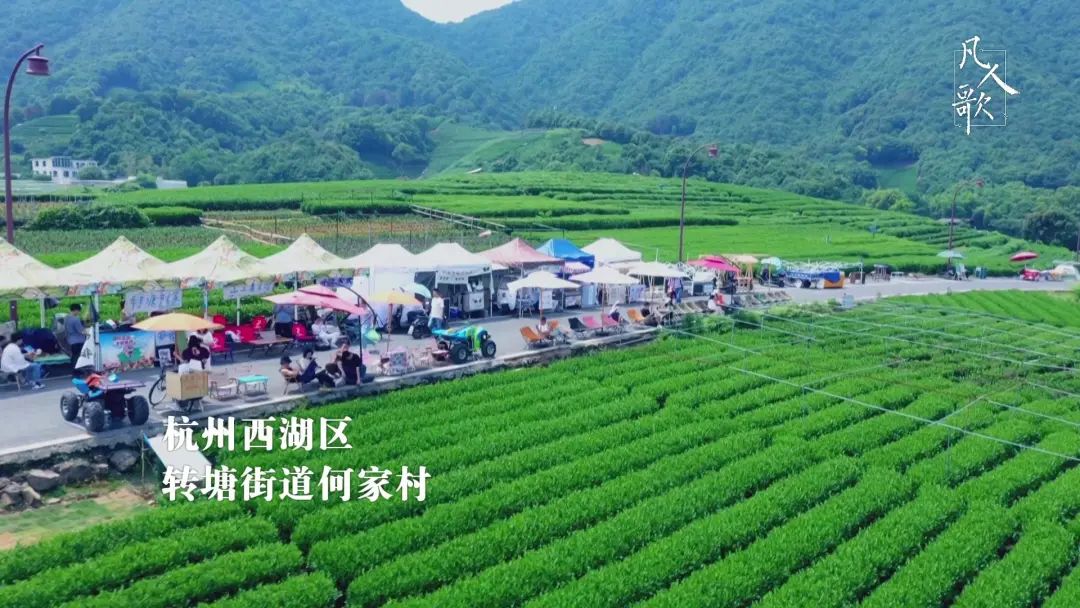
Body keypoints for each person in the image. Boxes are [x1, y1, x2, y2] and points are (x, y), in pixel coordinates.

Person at [65, 303, 86, 371]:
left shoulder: (66, 318)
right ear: (76, 310)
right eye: (79, 311)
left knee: (74, 356)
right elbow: (81, 331)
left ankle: (73, 369)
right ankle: (77, 370)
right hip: (78, 341)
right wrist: (88, 332)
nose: (79, 313)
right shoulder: (75, 319)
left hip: (71, 340)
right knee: (78, 356)